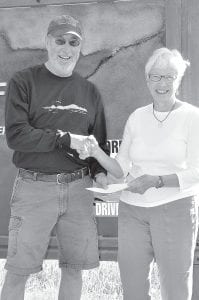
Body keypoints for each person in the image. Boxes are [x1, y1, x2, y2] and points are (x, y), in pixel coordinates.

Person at [1, 14, 109, 300]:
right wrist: (65, 139)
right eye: (60, 40)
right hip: (34, 189)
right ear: (47, 42)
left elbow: (98, 146)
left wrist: (100, 173)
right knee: (18, 270)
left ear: (80, 47)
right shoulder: (24, 82)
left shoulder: (89, 92)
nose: (66, 47)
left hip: (79, 190)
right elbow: (16, 135)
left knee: (74, 268)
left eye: (73, 42)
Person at [79, 48, 199, 300]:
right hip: (132, 211)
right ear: (147, 80)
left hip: (174, 208)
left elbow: (196, 171)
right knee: (132, 289)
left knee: (175, 290)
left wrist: (156, 181)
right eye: (156, 77)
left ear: (179, 79)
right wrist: (97, 154)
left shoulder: (192, 117)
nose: (162, 83)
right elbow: (121, 168)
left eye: (169, 76)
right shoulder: (137, 117)